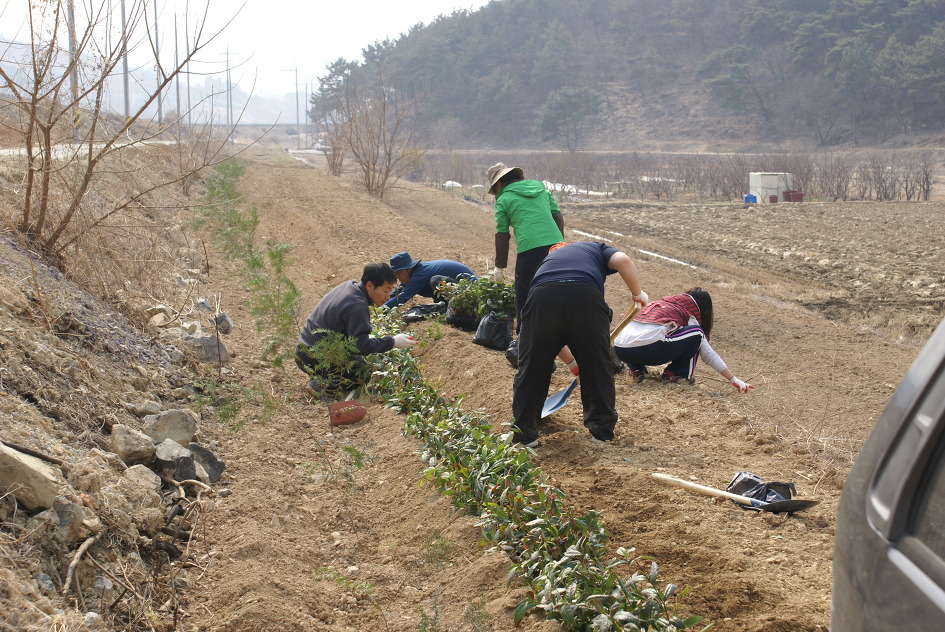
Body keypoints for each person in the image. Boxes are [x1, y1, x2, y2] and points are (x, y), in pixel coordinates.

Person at [510, 241, 649, 447]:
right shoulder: (596, 248)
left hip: (542, 297)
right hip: (584, 297)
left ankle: (524, 436)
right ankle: (601, 433)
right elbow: (623, 260)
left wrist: (571, 363)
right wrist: (637, 294)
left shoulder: (547, 264)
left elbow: (551, 336)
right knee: (597, 367)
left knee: (532, 368)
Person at [296, 262, 417, 397]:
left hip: (304, 350)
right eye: (385, 291)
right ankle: (322, 385)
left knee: (357, 362)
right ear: (370, 285)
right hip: (313, 357)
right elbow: (360, 346)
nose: (388, 297)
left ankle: (322, 377)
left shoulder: (349, 286)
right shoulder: (357, 305)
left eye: (390, 291)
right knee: (362, 372)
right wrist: (392, 342)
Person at [612, 288, 753, 393]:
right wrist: (734, 379)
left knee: (641, 335)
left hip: (620, 349)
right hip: (648, 350)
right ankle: (676, 375)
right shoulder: (688, 314)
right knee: (697, 334)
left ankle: (637, 370)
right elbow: (708, 354)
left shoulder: (659, 304)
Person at [486, 162, 564, 331]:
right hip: (558, 247)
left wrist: (499, 267)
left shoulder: (504, 199)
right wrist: (560, 245)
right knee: (558, 290)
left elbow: (502, 234)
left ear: (499, 184)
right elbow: (557, 216)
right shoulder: (542, 191)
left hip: (530, 250)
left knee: (523, 294)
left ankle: (524, 340)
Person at [384, 251, 477, 309]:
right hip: (460, 288)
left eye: (399, 273)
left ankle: (447, 309)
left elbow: (401, 298)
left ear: (409, 269)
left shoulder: (420, 275)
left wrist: (381, 310)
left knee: (435, 281)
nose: (397, 277)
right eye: (395, 273)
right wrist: (380, 300)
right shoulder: (414, 272)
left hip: (471, 293)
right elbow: (398, 292)